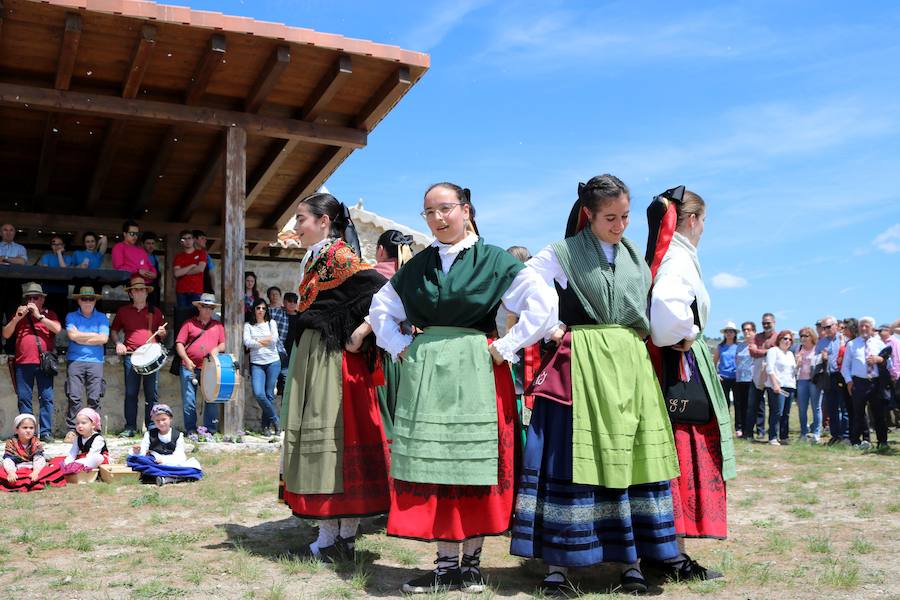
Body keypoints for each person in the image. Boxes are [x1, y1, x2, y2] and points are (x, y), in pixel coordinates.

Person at [371, 182, 557, 594]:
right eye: (429, 212)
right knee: (437, 467)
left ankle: (471, 564)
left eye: (445, 209)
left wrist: (506, 346)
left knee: (473, 468)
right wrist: (401, 346)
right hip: (429, 373)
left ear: (466, 209)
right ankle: (443, 566)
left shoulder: (493, 261)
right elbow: (381, 309)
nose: (438, 219)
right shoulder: (419, 267)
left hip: (478, 368)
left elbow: (544, 305)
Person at [508, 176, 675, 594]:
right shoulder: (562, 254)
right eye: (610, 218)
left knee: (632, 460)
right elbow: (520, 285)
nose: (619, 226)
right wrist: (550, 324)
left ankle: (632, 562)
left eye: (625, 217)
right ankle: (559, 567)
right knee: (569, 458)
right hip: (582, 363)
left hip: (630, 364)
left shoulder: (634, 255)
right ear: (589, 215)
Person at [280, 192, 391, 565]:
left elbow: (382, 289)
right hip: (319, 355)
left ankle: (332, 539)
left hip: (332, 360)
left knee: (332, 439)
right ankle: (339, 538)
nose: (296, 226)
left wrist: (360, 331)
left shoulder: (337, 256)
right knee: (334, 442)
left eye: (301, 219)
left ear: (323, 221)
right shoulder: (316, 258)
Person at [647, 186, 733, 581]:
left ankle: (662, 548)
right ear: (694, 220)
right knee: (680, 454)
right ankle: (672, 554)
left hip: (665, 364)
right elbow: (666, 309)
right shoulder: (676, 259)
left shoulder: (665, 253)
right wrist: (684, 335)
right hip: (675, 366)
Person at [370, 229, 415, 442]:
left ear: (380, 250)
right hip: (408, 352)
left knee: (380, 414)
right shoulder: (411, 275)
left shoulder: (372, 275)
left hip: (377, 356)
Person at [2, 283, 62, 441]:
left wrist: (39, 316)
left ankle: (45, 432)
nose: (32, 300)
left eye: (35, 297)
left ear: (42, 299)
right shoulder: (19, 314)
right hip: (23, 363)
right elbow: (6, 334)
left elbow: (57, 329)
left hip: (43, 363)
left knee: (46, 398)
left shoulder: (50, 314)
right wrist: (16, 318)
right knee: (24, 398)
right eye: (29, 298)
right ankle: (27, 433)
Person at [110, 277, 166, 437]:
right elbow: (114, 331)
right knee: (131, 393)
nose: (139, 292)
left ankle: (152, 428)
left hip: (150, 358)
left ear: (146, 293)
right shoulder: (123, 311)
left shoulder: (155, 312)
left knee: (151, 394)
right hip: (131, 357)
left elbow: (162, 335)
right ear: (131, 293)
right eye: (136, 290)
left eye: (142, 289)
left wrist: (163, 333)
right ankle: (130, 427)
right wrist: (118, 343)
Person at [175, 294, 225, 434]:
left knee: (211, 400)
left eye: (211, 307)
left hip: (210, 368)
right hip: (189, 367)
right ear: (199, 307)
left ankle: (210, 430)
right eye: (205, 306)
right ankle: (191, 430)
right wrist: (187, 359)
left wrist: (217, 349)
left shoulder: (218, 325)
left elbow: (223, 344)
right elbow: (179, 344)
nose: (208, 310)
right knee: (189, 401)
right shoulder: (188, 324)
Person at [64, 286, 109, 443]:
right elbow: (71, 335)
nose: (88, 302)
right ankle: (72, 430)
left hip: (96, 362)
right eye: (84, 298)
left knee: (94, 397)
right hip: (75, 360)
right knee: (74, 396)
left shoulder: (102, 317)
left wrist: (80, 336)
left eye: (91, 299)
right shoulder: (71, 316)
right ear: (78, 300)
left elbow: (103, 339)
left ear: (95, 300)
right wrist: (93, 335)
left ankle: (94, 429)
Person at [127, 404, 203, 485]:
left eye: (164, 419)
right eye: (157, 420)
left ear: (170, 418)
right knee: (136, 460)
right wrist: (137, 451)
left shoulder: (178, 435)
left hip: (171, 463)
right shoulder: (149, 434)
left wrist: (164, 461)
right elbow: (143, 450)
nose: (161, 423)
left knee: (193, 468)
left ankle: (166, 478)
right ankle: (170, 477)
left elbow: (180, 456)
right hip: (154, 461)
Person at [842, 317, 887, 450]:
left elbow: (888, 363)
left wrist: (879, 359)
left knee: (878, 413)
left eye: (866, 326)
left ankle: (882, 441)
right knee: (858, 414)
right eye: (861, 326)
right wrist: (849, 381)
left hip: (875, 382)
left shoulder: (879, 344)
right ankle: (859, 440)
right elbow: (845, 367)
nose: (863, 328)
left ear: (872, 328)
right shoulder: (852, 344)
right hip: (858, 382)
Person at [244, 298, 281, 435]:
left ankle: (266, 427)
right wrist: (266, 340)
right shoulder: (248, 326)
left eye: (263, 308)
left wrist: (257, 341)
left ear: (266, 310)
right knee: (259, 393)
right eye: (258, 308)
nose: (261, 310)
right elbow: (247, 343)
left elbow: (275, 340)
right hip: (257, 364)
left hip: (273, 362)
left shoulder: (272, 323)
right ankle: (276, 419)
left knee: (269, 395)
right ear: (254, 309)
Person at [1, 413, 66, 492]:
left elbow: (38, 458)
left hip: (32, 465)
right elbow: (9, 459)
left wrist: (36, 472)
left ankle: (32, 476)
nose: (28, 431)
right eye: (25, 428)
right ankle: (14, 476)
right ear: (16, 430)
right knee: (6, 462)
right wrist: (11, 472)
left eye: (31, 428)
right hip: (16, 466)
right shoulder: (11, 442)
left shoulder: (35, 442)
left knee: (43, 461)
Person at [747, 313, 778, 440]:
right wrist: (770, 351)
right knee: (753, 405)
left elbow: (778, 352)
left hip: (772, 375)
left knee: (773, 407)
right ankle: (749, 433)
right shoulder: (756, 337)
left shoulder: (778, 337)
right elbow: (752, 352)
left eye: (768, 323)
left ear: (774, 322)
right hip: (757, 374)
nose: (766, 325)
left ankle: (768, 433)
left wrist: (761, 351)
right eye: (764, 323)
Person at [820, 316, 849, 444]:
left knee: (844, 407)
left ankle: (845, 435)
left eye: (828, 326)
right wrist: (822, 358)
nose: (826, 330)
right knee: (831, 408)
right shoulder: (821, 342)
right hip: (828, 377)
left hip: (842, 376)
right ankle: (835, 435)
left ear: (836, 325)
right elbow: (814, 359)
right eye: (824, 327)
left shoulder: (845, 340)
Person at [1, 223, 29, 354]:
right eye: (5, 230)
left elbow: (22, 262)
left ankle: (11, 349)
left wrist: (4, 258)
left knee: (14, 317)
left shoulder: (20, 248)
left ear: (14, 233)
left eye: (11, 230)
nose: (8, 232)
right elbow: (17, 261)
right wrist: (14, 260)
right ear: (1, 233)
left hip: (14, 285)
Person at [765, 330, 796, 445]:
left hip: (790, 385)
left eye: (790, 339)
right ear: (779, 339)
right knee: (777, 412)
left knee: (786, 413)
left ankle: (784, 436)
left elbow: (792, 371)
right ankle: (772, 436)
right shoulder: (774, 351)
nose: (787, 341)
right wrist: (775, 384)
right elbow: (770, 369)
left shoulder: (790, 354)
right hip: (777, 386)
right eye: (785, 338)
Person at [61, 407, 108, 475]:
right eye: (77, 423)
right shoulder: (77, 439)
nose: (80, 426)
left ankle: (76, 466)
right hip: (84, 459)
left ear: (93, 425)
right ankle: (72, 466)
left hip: (94, 460)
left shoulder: (98, 438)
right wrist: (67, 462)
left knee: (98, 457)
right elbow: (72, 453)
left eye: (83, 423)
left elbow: (92, 455)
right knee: (63, 460)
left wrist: (78, 462)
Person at [37, 235, 75, 320]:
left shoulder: (68, 258)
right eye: (54, 244)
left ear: (63, 245)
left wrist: (59, 254)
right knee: (46, 318)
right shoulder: (46, 257)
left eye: (59, 244)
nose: (57, 246)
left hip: (62, 292)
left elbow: (64, 270)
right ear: (51, 246)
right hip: (47, 292)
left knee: (60, 319)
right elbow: (46, 271)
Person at [795, 326, 822, 443]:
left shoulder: (817, 348)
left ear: (812, 336)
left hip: (814, 381)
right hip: (801, 380)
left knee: (816, 407)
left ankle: (816, 432)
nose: (803, 338)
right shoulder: (799, 348)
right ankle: (803, 432)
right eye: (801, 336)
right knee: (802, 408)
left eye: (806, 336)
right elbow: (796, 367)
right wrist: (798, 361)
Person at [111, 220, 157, 285]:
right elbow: (118, 268)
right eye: (132, 234)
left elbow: (150, 265)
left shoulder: (141, 250)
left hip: (146, 286)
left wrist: (154, 273)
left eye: (137, 234)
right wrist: (137, 271)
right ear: (125, 234)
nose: (135, 236)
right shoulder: (119, 247)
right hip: (129, 285)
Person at [172, 230, 207, 307]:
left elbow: (200, 269)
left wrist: (182, 272)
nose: (187, 241)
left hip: (196, 291)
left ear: (193, 240)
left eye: (189, 238)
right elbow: (176, 273)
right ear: (181, 242)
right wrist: (191, 266)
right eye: (184, 239)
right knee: (182, 317)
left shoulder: (201, 253)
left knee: (195, 316)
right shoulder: (178, 257)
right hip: (181, 291)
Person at [734, 321, 756, 438]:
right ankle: (740, 429)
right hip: (739, 379)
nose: (746, 332)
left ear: (754, 331)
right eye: (744, 330)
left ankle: (750, 430)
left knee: (750, 406)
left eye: (749, 329)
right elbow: (736, 361)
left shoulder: (756, 345)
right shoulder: (740, 346)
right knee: (740, 405)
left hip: (752, 379)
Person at [878, 324, 900, 427]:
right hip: (884, 375)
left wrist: (895, 374)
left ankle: (897, 422)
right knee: (886, 399)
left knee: (896, 398)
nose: (879, 333)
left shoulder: (894, 342)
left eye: (881, 330)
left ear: (888, 331)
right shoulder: (880, 342)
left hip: (894, 375)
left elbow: (896, 359)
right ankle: (888, 423)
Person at [714, 321, 738, 410]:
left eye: (731, 331)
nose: (729, 333)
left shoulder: (738, 346)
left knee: (738, 402)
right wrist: (716, 374)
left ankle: (738, 424)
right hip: (723, 378)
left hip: (736, 378)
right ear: (724, 334)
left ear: (735, 333)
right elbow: (714, 362)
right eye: (727, 331)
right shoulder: (720, 347)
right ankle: (725, 421)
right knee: (724, 402)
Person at [141, 232, 162, 307]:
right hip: (141, 288)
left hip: (154, 290)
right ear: (143, 244)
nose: (151, 246)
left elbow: (158, 274)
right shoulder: (138, 256)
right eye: (148, 243)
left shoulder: (155, 257)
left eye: (153, 243)